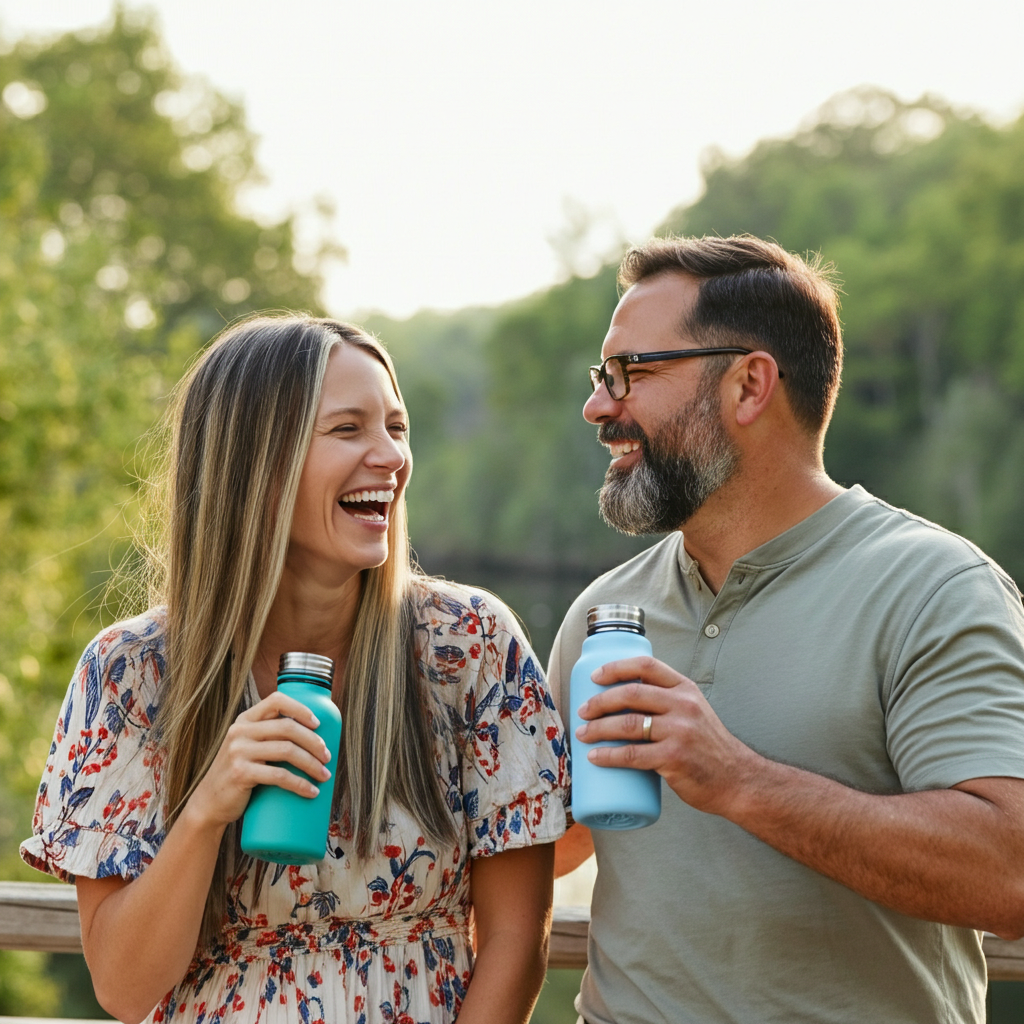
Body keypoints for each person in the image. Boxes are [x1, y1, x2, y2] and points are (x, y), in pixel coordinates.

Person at [22, 315, 569, 1024]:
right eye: (348, 429)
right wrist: (207, 808)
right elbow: (125, 989)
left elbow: (517, 941)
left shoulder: (470, 645)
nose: (391, 457)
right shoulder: (130, 674)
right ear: (256, 463)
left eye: (396, 428)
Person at [548, 235, 1024, 1024]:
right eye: (603, 377)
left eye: (631, 372)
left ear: (749, 385)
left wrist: (740, 781)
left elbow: (1010, 877)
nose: (600, 406)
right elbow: (544, 845)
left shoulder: (934, 589)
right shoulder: (606, 612)